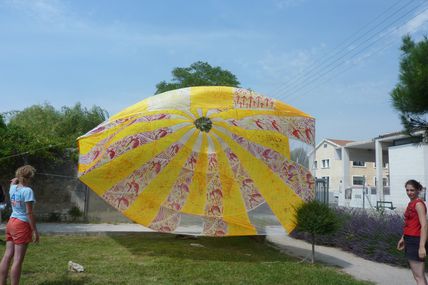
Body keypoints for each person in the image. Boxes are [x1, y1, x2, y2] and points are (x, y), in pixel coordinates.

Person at [0, 165, 39, 285]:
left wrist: (15, 180)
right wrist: (34, 231)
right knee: (17, 259)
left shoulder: (13, 188)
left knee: (7, 256)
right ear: (30, 177)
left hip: (11, 222)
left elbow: (13, 181)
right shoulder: (27, 191)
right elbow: (29, 212)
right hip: (21, 224)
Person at [397, 179, 427, 285]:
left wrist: (422, 246)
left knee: (419, 277)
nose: (409, 193)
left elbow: (424, 225)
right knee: (417, 276)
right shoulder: (411, 203)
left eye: (412, 190)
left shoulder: (418, 204)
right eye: (407, 190)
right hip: (409, 239)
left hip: (416, 241)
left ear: (418, 190)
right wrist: (403, 238)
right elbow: (409, 223)